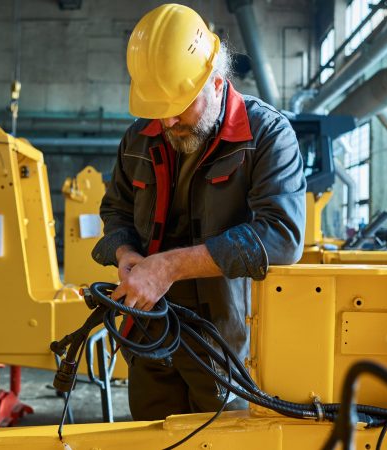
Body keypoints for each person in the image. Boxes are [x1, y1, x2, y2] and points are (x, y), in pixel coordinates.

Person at [92, 3, 306, 421]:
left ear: (215, 77)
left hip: (226, 341)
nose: (168, 119)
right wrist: (126, 255)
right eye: (159, 106)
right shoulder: (141, 136)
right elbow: (115, 209)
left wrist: (169, 267)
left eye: (180, 103)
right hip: (150, 332)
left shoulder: (267, 135)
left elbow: (282, 235)